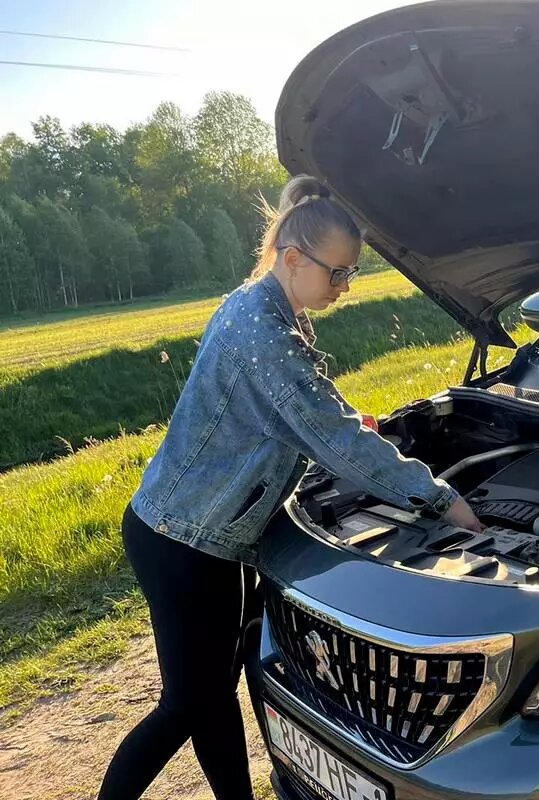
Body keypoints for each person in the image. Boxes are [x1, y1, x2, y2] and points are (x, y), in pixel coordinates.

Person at [98, 175, 482, 800]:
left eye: (352, 274)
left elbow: (311, 419)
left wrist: (367, 436)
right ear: (294, 258)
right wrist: (440, 497)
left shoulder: (264, 307)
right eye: (339, 274)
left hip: (205, 537)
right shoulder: (263, 334)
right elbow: (330, 434)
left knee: (213, 691)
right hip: (181, 542)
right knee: (185, 705)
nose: (345, 287)